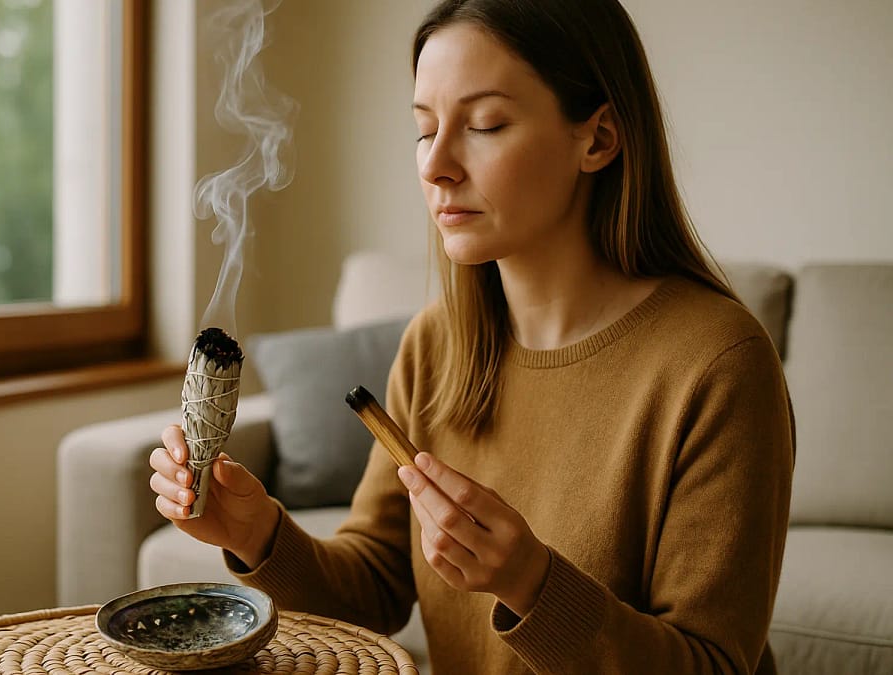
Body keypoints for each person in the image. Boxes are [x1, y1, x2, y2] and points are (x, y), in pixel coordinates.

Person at [149, 0, 795, 672]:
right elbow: (373, 585)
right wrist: (256, 533)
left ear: (599, 139)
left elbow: (714, 663)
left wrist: (532, 584)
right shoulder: (435, 345)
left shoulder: (718, 363)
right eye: (425, 130)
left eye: (485, 124)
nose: (436, 166)